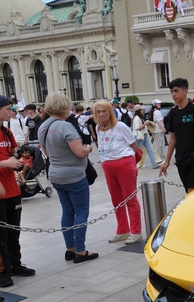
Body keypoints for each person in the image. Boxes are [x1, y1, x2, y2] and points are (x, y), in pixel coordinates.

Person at [38, 93, 99, 263]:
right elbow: (79, 152)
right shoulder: (65, 127)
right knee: (80, 212)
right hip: (73, 175)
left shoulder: (43, 126)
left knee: (67, 211)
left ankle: (70, 248)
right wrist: (88, 148)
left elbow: (46, 152)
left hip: (55, 174)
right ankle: (80, 250)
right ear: (64, 107)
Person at [94, 100, 144, 244]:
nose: (101, 114)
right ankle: (122, 230)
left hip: (124, 164)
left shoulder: (120, 126)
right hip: (108, 166)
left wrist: (132, 164)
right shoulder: (98, 128)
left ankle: (136, 231)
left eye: (104, 111)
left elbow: (134, 146)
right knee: (116, 199)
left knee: (130, 198)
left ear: (110, 112)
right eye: (98, 111)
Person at [0, 95, 35, 287]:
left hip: (12, 189)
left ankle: (15, 263)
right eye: (7, 108)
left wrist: (17, 160)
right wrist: (5, 162)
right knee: (1, 233)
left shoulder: (6, 131)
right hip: (0, 191)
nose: (11, 112)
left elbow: (13, 151)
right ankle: (2, 270)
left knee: (14, 231)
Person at [160, 78, 194, 193]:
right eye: (172, 92)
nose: (173, 94)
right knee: (189, 192)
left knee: (192, 191)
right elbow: (173, 138)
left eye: (176, 91)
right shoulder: (173, 113)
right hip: (180, 158)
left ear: (185, 91)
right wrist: (167, 161)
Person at [132, 105, 160, 169]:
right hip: (140, 136)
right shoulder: (136, 118)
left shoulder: (141, 117)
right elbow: (138, 128)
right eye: (142, 109)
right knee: (138, 151)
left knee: (150, 150)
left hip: (144, 135)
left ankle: (154, 164)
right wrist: (145, 124)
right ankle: (134, 165)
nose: (143, 110)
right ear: (139, 110)